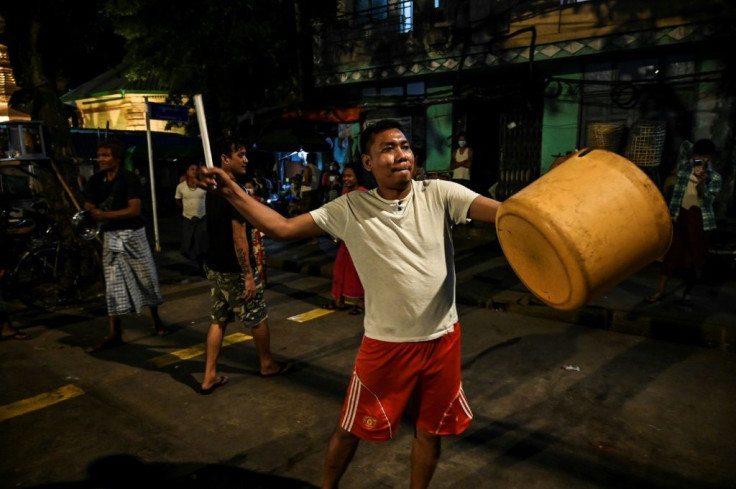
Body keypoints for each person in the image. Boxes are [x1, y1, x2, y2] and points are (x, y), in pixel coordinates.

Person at [199, 119, 501, 488]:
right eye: (388, 148)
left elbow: (508, 215)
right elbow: (282, 228)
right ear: (368, 162)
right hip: (386, 346)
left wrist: (560, 190)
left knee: (429, 431)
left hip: (442, 341)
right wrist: (231, 191)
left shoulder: (440, 194)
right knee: (349, 430)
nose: (401, 154)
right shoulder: (352, 207)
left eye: (404, 146)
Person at [200, 137, 290, 394]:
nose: (246, 159)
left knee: (218, 320)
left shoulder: (214, 189)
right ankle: (267, 363)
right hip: (233, 269)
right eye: (240, 154)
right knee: (257, 317)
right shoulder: (233, 192)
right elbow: (239, 236)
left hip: (215, 266)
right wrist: (248, 274)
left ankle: (209, 375)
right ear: (224, 160)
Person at [84, 138, 169, 352]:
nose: (101, 159)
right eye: (99, 155)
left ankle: (156, 319)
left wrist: (103, 214)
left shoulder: (129, 179)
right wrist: (91, 211)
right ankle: (115, 333)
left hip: (133, 234)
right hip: (111, 235)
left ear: (117, 158)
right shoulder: (95, 180)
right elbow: (88, 204)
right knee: (112, 286)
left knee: (146, 278)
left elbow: (133, 210)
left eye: (106, 155)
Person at [646, 139, 722, 307]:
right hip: (680, 216)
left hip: (700, 221)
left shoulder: (714, 177)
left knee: (694, 258)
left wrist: (702, 185)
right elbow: (684, 146)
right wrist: (694, 158)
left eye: (706, 157)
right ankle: (660, 290)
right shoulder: (685, 169)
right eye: (699, 156)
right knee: (671, 256)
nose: (702, 160)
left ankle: (687, 294)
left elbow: (709, 200)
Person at [322, 163, 366, 314]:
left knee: (358, 272)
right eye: (344, 176)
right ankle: (338, 300)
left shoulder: (363, 193)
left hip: (360, 240)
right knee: (339, 268)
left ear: (357, 177)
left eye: (349, 176)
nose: (346, 179)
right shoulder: (345, 192)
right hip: (345, 238)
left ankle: (360, 303)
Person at [174, 163, 208, 269]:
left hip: (202, 218)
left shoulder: (204, 184)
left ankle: (204, 266)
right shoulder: (181, 186)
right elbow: (178, 200)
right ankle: (198, 261)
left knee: (201, 244)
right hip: (188, 218)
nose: (194, 171)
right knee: (186, 246)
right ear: (187, 172)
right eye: (191, 169)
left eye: (196, 169)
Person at [244, 179, 268, 287]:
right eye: (246, 187)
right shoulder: (242, 201)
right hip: (245, 233)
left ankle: (262, 279)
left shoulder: (259, 201)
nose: (248, 189)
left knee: (259, 257)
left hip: (257, 232)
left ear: (255, 188)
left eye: (250, 186)